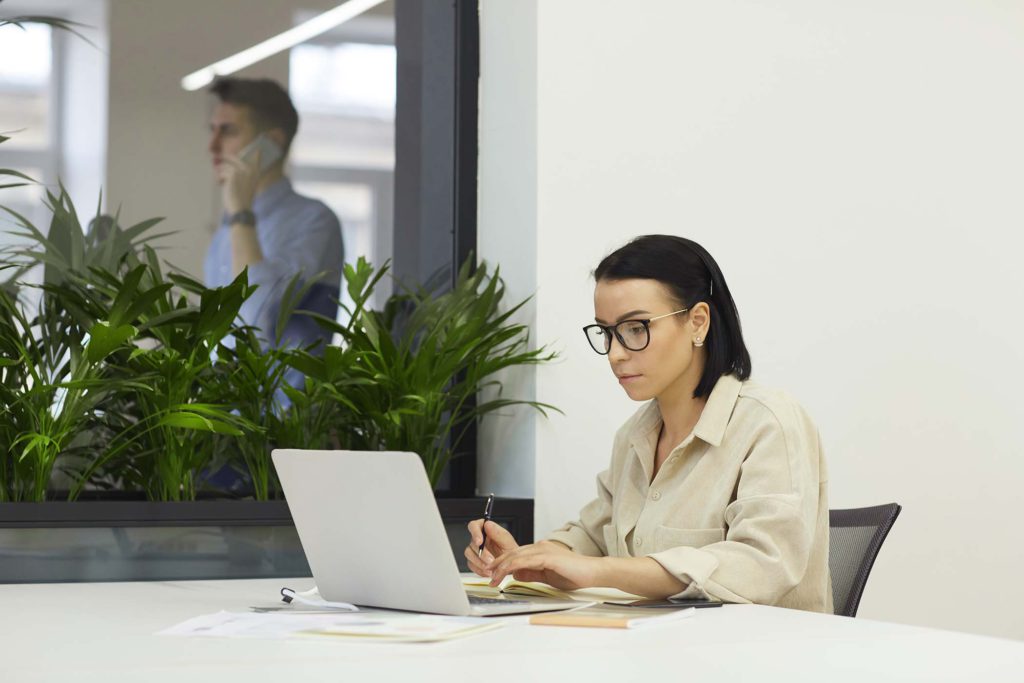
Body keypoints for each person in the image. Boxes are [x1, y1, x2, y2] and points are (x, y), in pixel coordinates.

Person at [465, 235, 832, 613]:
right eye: (606, 333)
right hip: (656, 651)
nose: (615, 353)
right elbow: (592, 534)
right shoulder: (635, 436)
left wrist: (599, 571)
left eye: (636, 328)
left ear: (697, 323)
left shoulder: (768, 423)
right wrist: (530, 558)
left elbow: (762, 566)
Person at [203, 77, 344, 353]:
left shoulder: (314, 220)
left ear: (272, 143)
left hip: (285, 397)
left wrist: (242, 215)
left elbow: (252, 326)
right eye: (212, 130)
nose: (213, 146)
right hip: (222, 395)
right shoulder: (228, 227)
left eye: (228, 131)